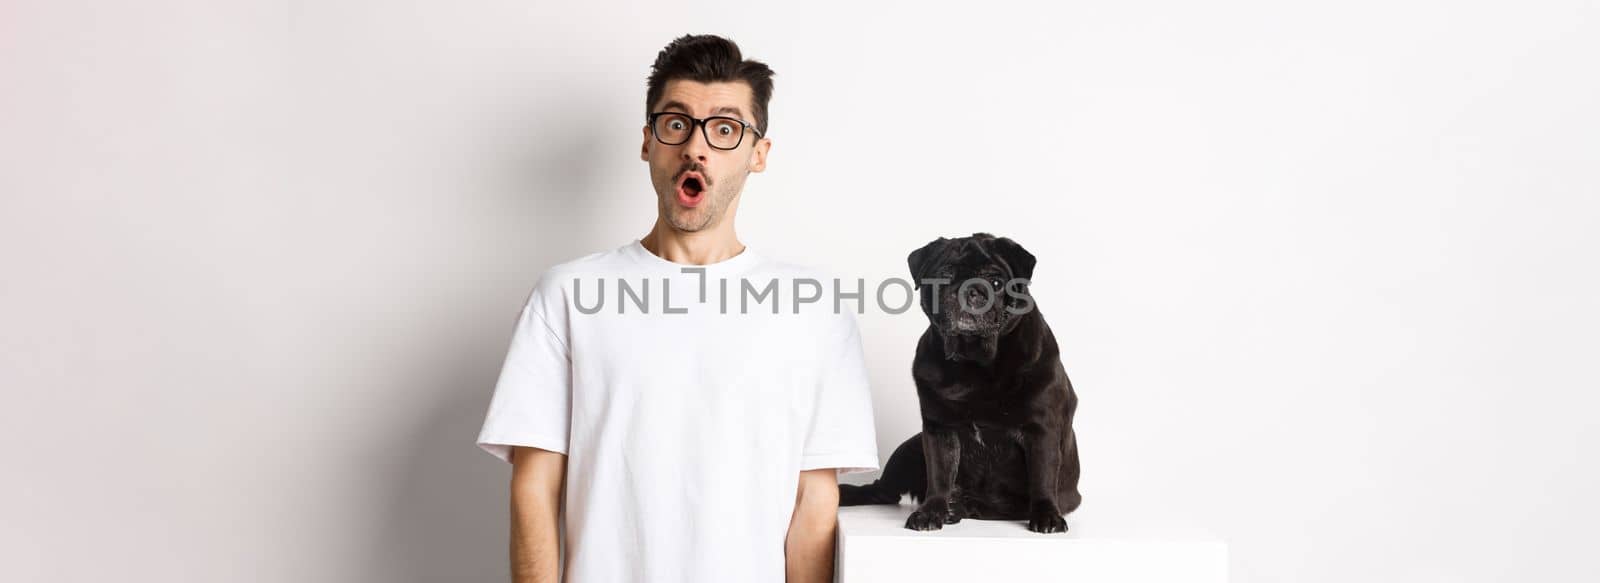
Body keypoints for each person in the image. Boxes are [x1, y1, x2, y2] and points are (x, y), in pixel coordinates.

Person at [475, 34, 881, 583]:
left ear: (758, 154)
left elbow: (813, 505)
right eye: (676, 123)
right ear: (648, 142)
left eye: (725, 128)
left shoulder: (815, 310)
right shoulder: (567, 294)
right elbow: (534, 487)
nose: (696, 147)